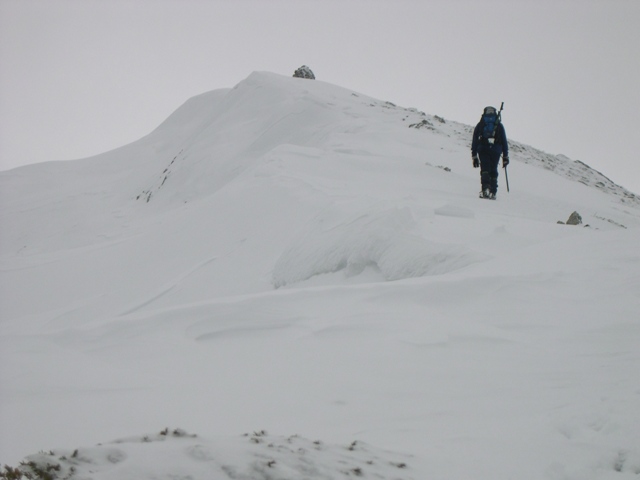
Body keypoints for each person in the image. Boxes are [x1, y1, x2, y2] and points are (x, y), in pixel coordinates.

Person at [471, 106, 509, 199]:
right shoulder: (499, 125)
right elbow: (504, 141)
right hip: (496, 150)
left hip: (483, 149)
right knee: (493, 169)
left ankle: (485, 189)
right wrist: (505, 156)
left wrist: (474, 155)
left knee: (485, 168)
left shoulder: (480, 124)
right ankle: (493, 191)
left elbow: (475, 140)